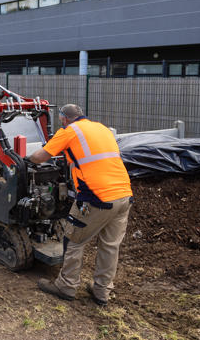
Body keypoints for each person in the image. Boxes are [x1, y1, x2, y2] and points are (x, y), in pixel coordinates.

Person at [27, 103, 133, 307]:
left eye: (61, 120)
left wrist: (27, 160)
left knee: (74, 240)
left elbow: (41, 156)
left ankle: (66, 286)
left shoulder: (69, 130)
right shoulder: (101, 128)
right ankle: (102, 291)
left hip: (96, 197)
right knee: (110, 246)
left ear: (64, 119)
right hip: (123, 195)